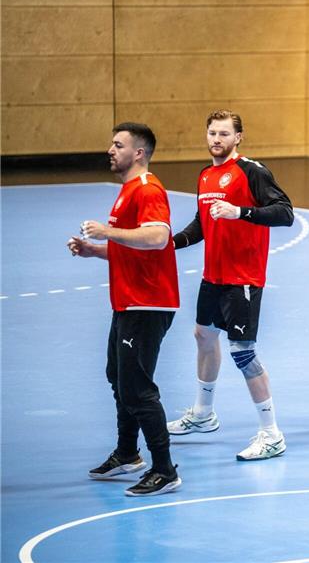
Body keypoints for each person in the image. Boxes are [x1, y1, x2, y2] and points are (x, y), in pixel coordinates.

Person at [165, 110, 294, 461]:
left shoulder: (252, 172)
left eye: (224, 134)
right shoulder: (206, 175)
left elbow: (285, 213)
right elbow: (202, 223)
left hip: (244, 279)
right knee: (203, 336)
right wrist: (171, 244)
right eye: (212, 133)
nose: (216, 140)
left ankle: (271, 434)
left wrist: (241, 212)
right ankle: (203, 414)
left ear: (238, 137)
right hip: (214, 277)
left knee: (243, 352)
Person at [68, 122, 182, 496]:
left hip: (149, 302)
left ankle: (164, 470)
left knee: (137, 387)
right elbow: (131, 246)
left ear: (139, 153)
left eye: (118, 145)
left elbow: (158, 236)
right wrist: (95, 249)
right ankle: (128, 453)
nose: (110, 150)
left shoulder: (148, 190)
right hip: (128, 300)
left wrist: (107, 233)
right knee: (118, 377)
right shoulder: (127, 191)